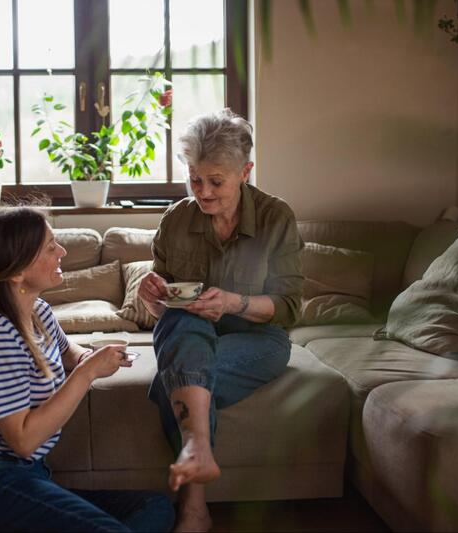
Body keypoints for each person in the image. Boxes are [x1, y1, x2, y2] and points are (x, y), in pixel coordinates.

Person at [0, 207, 175, 533]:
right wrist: (87, 372)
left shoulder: (37, 311)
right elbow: (23, 440)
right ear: (16, 271)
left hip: (29, 475)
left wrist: (90, 357)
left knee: (156, 506)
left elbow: (67, 352)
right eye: (50, 247)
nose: (62, 252)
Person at [138, 109, 303, 532]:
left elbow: (288, 306)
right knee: (184, 325)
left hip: (259, 339)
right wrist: (152, 297)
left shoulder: (275, 217)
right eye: (194, 179)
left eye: (216, 181)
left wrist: (233, 303)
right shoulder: (176, 219)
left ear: (245, 172)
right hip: (188, 333)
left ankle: (194, 497)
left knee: (171, 384)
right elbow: (164, 314)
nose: (203, 193)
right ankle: (195, 503)